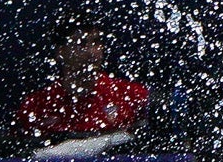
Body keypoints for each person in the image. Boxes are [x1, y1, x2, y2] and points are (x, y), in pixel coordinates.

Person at [15, 15, 150, 141]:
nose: (92, 52)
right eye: (81, 44)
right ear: (60, 52)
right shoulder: (37, 106)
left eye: (96, 43)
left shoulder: (132, 95)